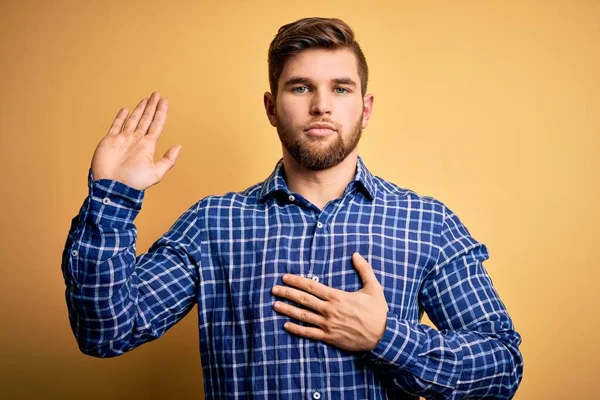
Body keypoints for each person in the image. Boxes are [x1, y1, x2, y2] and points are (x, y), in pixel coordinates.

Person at [61, 17, 524, 399]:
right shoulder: (213, 224)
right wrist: (113, 197)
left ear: (365, 108)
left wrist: (386, 338)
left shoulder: (428, 224)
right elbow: (107, 330)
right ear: (270, 106)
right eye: (300, 88)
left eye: (341, 89)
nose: (321, 106)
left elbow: (501, 369)